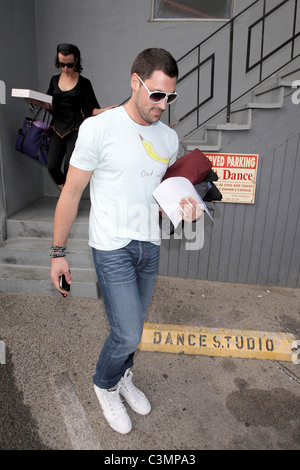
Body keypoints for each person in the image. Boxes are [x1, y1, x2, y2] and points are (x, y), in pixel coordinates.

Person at [50, 48, 202, 434]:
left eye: (171, 97)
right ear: (135, 82)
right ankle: (104, 383)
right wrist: (58, 253)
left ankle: (123, 376)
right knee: (129, 331)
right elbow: (70, 194)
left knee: (134, 325)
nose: (163, 105)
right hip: (112, 246)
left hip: (149, 245)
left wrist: (186, 207)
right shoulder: (99, 129)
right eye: (156, 94)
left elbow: (162, 191)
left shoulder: (169, 139)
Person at [47, 43, 115, 190]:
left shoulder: (84, 83)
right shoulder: (54, 80)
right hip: (57, 127)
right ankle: (66, 194)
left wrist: (104, 111)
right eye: (61, 64)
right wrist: (34, 101)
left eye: (69, 64)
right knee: (52, 166)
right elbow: (49, 104)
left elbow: (91, 109)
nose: (65, 68)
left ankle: (67, 199)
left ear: (76, 61)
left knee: (69, 167)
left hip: (75, 129)